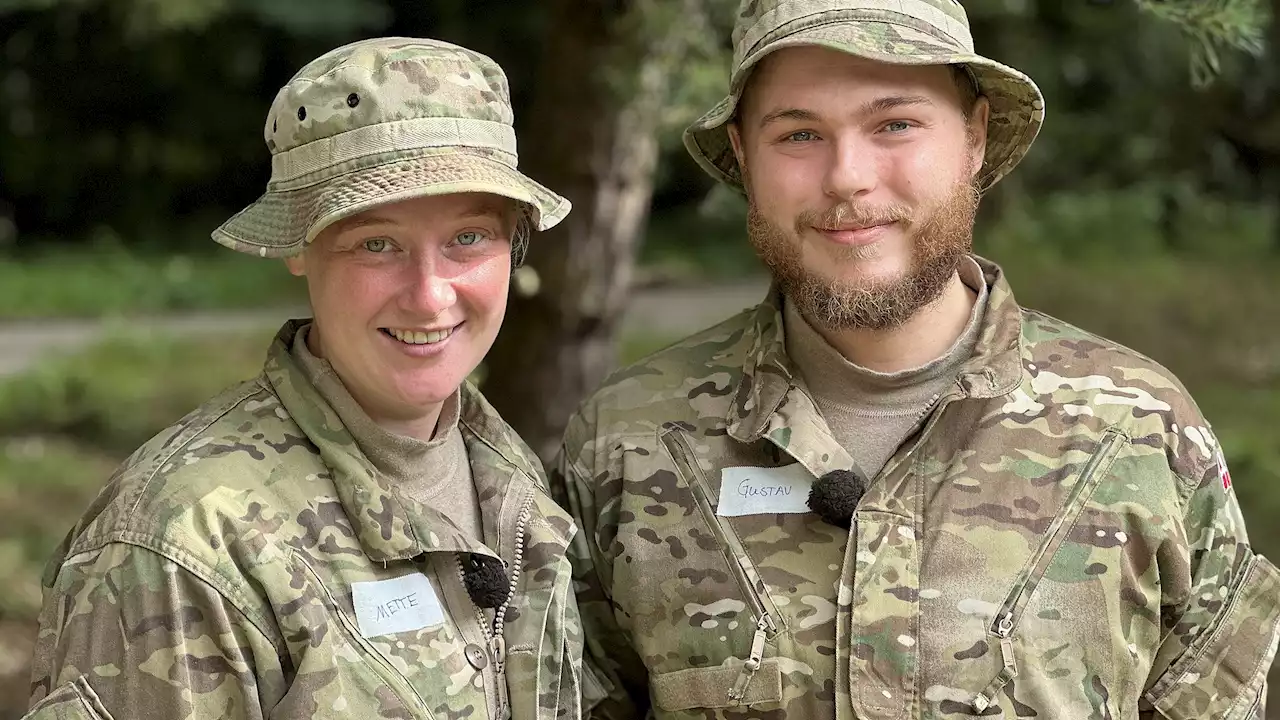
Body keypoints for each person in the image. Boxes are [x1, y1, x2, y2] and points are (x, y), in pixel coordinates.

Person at [553, 2, 1280, 719]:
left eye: (895, 124)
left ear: (974, 139)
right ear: (744, 157)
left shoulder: (1141, 430)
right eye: (799, 134)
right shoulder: (627, 444)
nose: (847, 177)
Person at [24, 37, 601, 720]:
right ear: (298, 246)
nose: (430, 295)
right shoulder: (186, 542)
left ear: (515, 243)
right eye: (376, 244)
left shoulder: (507, 477)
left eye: (468, 238)